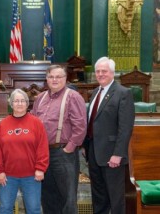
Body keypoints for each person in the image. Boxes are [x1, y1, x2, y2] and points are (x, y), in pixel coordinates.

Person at [31, 65, 87, 214]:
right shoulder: (40, 98)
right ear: (46, 79)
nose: (54, 80)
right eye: (51, 77)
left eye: (58, 77)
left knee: (67, 198)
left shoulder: (73, 96)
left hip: (63, 154)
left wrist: (69, 148)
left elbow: (80, 126)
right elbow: (32, 122)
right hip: (43, 154)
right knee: (48, 196)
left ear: (65, 79)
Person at [83, 57, 135, 214]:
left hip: (112, 155)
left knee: (115, 197)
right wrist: (86, 146)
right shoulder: (95, 93)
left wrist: (118, 154)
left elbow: (125, 127)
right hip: (93, 152)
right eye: (98, 71)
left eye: (104, 71)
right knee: (98, 196)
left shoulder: (123, 93)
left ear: (112, 73)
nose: (100, 74)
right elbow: (92, 122)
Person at [0, 89, 49, 214]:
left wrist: (41, 168)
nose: (19, 103)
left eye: (22, 100)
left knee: (33, 209)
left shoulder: (36, 123)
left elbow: (43, 147)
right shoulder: (3, 124)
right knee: (5, 209)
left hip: (32, 176)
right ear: (11, 104)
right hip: (8, 176)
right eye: (16, 101)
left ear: (27, 103)